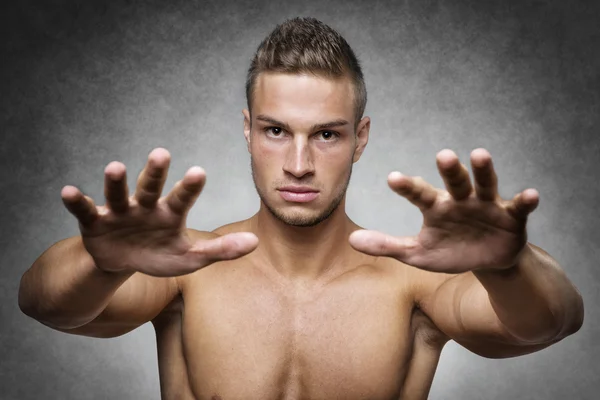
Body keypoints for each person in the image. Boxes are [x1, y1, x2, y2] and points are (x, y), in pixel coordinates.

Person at [18, 17, 584, 400]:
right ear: (247, 130)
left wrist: (510, 267)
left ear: (360, 138)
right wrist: (104, 265)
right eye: (275, 130)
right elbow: (45, 304)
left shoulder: (411, 288)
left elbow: (551, 323)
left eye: (327, 136)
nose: (297, 163)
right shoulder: (189, 273)